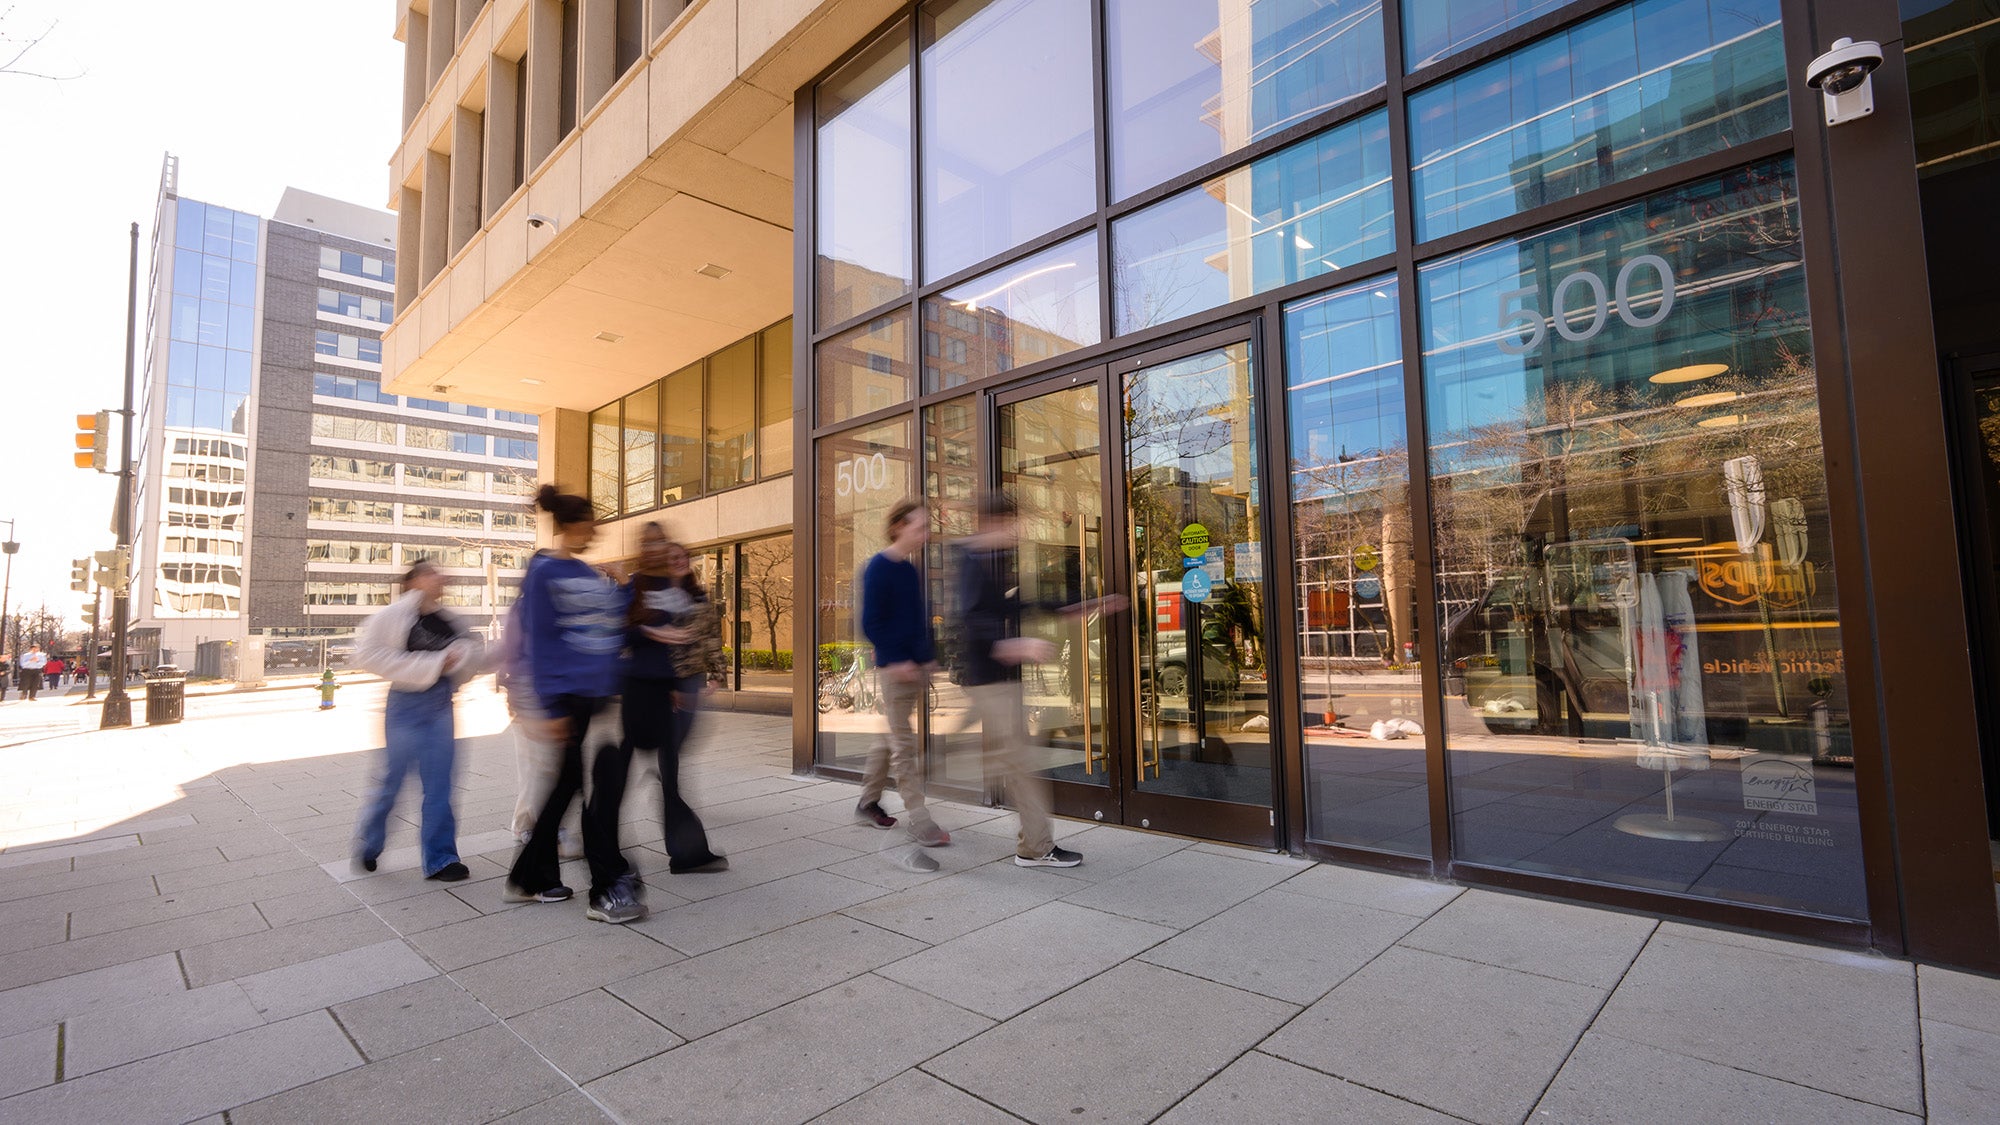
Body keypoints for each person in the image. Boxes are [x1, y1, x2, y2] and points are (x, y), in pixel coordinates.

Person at [957, 492, 1126, 868]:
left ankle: (1030, 844)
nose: (1016, 530)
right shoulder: (972, 560)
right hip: (989, 681)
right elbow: (970, 617)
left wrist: (1079, 605)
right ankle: (1034, 847)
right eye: (1011, 523)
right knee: (1019, 765)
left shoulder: (992, 558)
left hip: (1000, 680)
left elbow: (1015, 605)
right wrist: (1011, 643)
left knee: (1012, 762)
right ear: (993, 523)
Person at [507, 484, 644, 925]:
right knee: (583, 788)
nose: (593, 534)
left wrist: (624, 585)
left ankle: (532, 876)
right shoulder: (544, 572)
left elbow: (611, 628)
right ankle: (603, 884)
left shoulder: (586, 574)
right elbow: (540, 643)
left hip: (597, 695)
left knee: (570, 786)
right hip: (566, 697)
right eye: (588, 526)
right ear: (570, 525)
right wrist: (548, 706)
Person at [352, 560, 485, 881]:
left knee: (440, 785)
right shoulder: (391, 616)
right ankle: (370, 842)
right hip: (404, 707)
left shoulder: (450, 620)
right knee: (390, 784)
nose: (440, 577)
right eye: (430, 572)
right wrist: (436, 662)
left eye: (440, 572)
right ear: (413, 582)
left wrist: (461, 660)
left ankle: (441, 859)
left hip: (441, 705)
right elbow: (367, 655)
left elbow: (471, 655)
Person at [625, 523, 728, 874]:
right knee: (627, 772)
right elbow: (623, 632)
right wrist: (653, 633)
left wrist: (704, 677)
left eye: (680, 555)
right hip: (647, 690)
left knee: (670, 765)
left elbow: (702, 640)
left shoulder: (688, 594)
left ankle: (685, 852)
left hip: (675, 687)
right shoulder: (638, 587)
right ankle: (603, 851)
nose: (675, 559)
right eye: (651, 543)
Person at [857, 498, 950, 855]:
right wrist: (896, 660)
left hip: (912, 668)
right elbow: (872, 623)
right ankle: (920, 820)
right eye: (920, 526)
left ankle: (867, 802)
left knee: (890, 736)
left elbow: (916, 621)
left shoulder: (909, 570)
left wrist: (928, 659)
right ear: (898, 527)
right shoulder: (878, 567)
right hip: (895, 671)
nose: (925, 533)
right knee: (904, 746)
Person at [496, 587, 581, 859]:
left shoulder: (550, 607)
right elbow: (514, 658)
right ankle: (538, 828)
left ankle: (526, 826)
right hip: (531, 701)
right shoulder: (526, 610)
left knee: (542, 769)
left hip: (551, 701)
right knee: (539, 769)